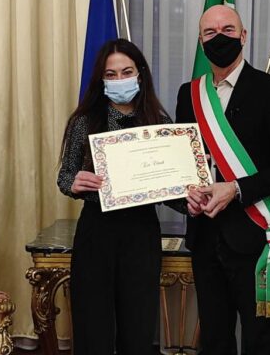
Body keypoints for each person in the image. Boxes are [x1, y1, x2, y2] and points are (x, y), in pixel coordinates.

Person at [175, 5, 270, 354]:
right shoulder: (189, 94)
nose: (219, 38)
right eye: (210, 33)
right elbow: (185, 164)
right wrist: (187, 195)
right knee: (214, 339)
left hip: (255, 237)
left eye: (228, 30)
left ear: (244, 36)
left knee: (259, 341)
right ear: (201, 42)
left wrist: (235, 188)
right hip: (205, 238)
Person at [57, 38, 171, 355]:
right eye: (111, 74)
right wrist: (74, 183)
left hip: (141, 232)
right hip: (97, 230)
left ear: (140, 74)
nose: (120, 79)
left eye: (126, 72)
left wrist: (192, 193)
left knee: (138, 326)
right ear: (101, 79)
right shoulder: (84, 121)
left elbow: (171, 185)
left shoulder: (160, 123)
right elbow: (64, 177)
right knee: (93, 326)